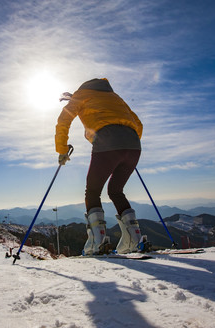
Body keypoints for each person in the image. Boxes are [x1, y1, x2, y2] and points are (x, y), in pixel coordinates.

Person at [55, 78, 146, 255]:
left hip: (107, 142)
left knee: (93, 191)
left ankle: (99, 241)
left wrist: (62, 149)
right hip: (133, 145)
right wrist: (127, 142)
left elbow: (63, 120)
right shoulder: (114, 97)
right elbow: (138, 123)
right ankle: (135, 239)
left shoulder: (81, 95)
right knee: (116, 191)